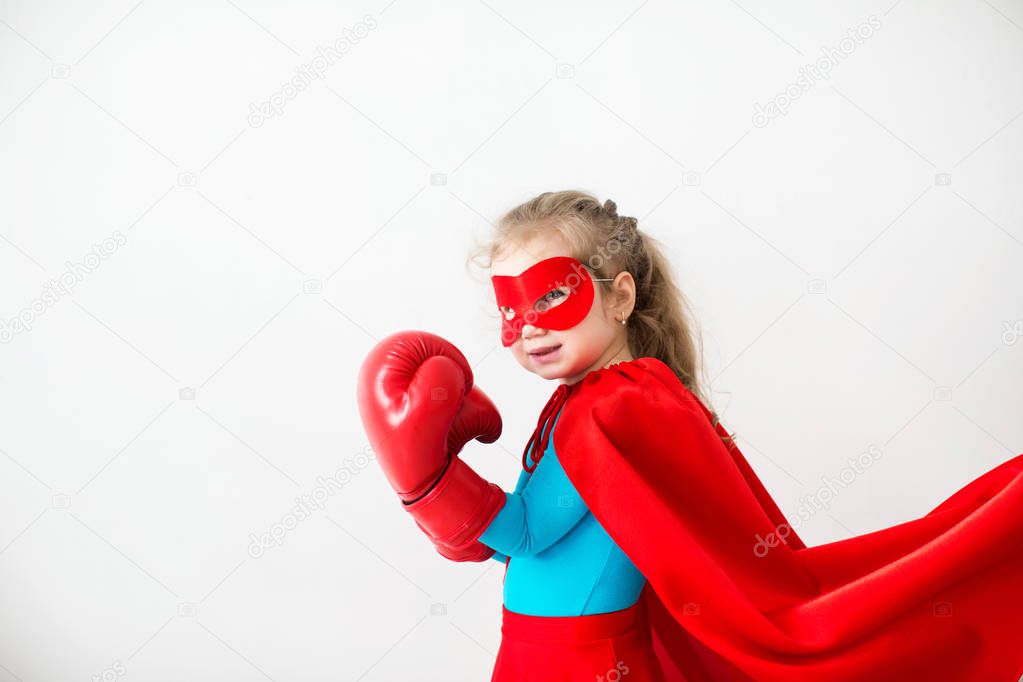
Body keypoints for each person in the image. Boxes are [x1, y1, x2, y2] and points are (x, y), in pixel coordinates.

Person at [357, 190, 1023, 681]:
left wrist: (426, 478)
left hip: (581, 663)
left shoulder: (613, 409)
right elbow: (512, 550)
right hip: (546, 654)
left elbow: (524, 534)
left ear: (619, 297)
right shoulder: (587, 401)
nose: (527, 325)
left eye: (550, 297)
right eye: (509, 307)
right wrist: (444, 496)